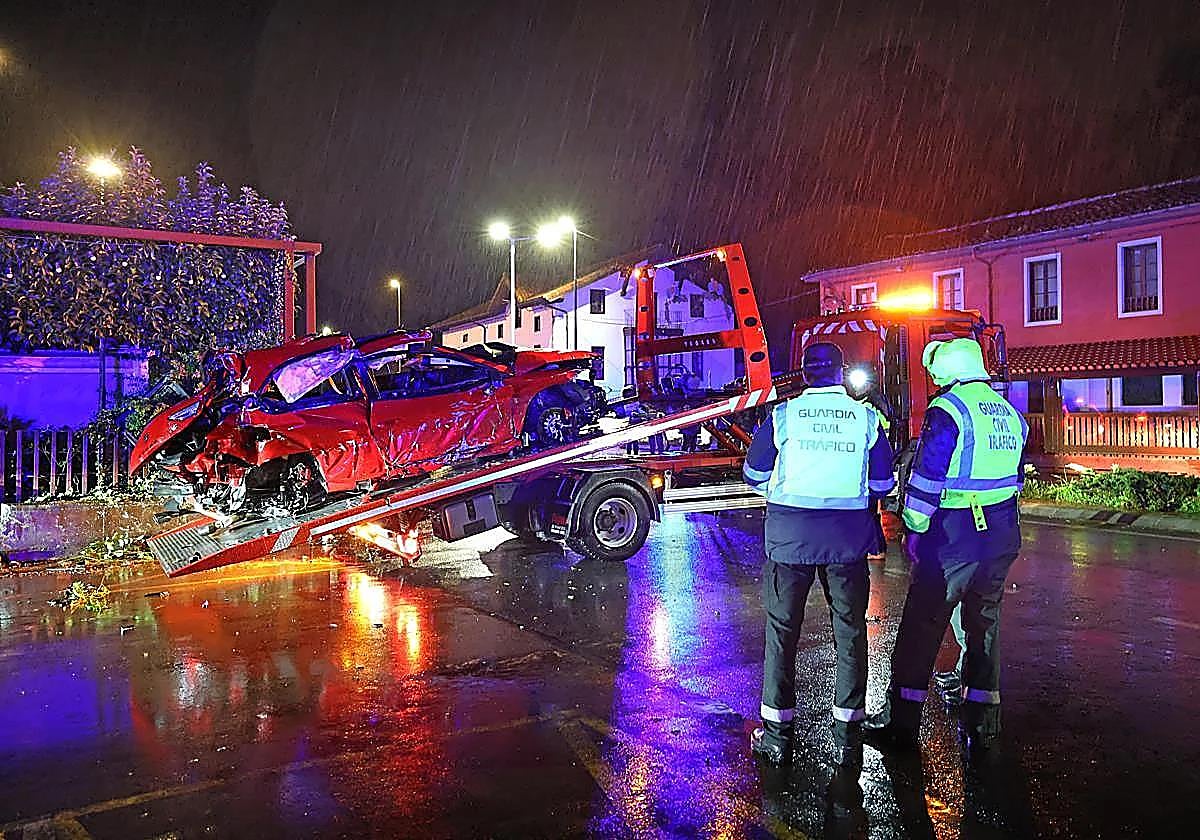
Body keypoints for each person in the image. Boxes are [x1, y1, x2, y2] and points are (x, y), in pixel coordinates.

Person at [864, 338, 1027, 752]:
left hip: (956, 533)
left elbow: (926, 479)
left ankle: (900, 723)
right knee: (983, 626)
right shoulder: (1008, 412)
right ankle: (983, 719)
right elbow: (1016, 477)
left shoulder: (949, 409)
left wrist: (914, 527)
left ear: (949, 372)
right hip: (1002, 530)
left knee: (922, 627)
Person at [743, 342, 896, 769]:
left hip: (790, 538)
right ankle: (847, 737)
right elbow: (883, 484)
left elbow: (754, 473)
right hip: (847, 540)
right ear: (841, 373)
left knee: (782, 632)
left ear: (804, 373)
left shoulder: (783, 416)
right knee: (850, 632)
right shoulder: (866, 419)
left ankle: (777, 736)